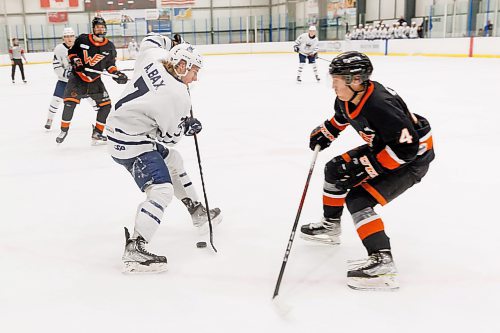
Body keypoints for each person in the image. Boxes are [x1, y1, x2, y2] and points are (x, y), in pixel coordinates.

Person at [300, 51, 435, 291]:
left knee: (359, 199)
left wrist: (370, 167)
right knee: (335, 170)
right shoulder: (347, 98)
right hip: (386, 147)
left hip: (411, 159)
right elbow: (342, 117)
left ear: (355, 80)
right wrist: (326, 132)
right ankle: (330, 226)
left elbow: (407, 148)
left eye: (337, 80)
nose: (332, 85)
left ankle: (382, 262)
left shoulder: (380, 104)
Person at [105, 43, 222, 273]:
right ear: (181, 65)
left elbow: (151, 42)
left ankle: (196, 211)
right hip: (131, 142)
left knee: (174, 160)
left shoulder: (154, 59)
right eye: (194, 71)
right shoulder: (177, 95)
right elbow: (170, 138)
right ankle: (135, 248)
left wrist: (173, 43)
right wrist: (186, 127)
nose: (195, 78)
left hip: (121, 129)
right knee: (161, 190)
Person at [56, 17, 128, 145]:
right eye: (97, 27)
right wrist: (76, 61)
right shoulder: (83, 39)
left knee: (106, 106)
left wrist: (116, 74)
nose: (100, 29)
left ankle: (97, 133)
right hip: (77, 78)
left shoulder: (109, 46)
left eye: (102, 27)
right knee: (69, 104)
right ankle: (64, 130)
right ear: (93, 28)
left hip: (95, 81)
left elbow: (110, 65)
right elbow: (72, 52)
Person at [45, 27, 76, 130]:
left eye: (71, 36)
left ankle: (104, 119)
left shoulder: (79, 47)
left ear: (74, 37)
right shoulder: (59, 49)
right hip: (64, 81)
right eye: (67, 36)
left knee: (92, 98)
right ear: (63, 38)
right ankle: (49, 119)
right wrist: (66, 74)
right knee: (56, 100)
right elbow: (56, 65)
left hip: (78, 82)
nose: (69, 39)